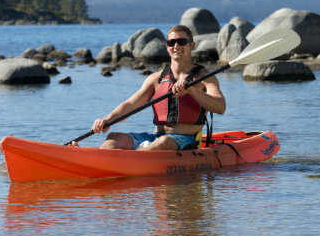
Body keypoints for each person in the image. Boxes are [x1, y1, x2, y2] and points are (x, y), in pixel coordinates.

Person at [69, 25, 226, 150]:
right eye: (172, 43)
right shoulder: (155, 79)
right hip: (156, 137)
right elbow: (130, 105)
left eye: (182, 42)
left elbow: (220, 106)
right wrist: (107, 120)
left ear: (192, 45)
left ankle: (123, 164)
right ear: (167, 47)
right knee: (114, 138)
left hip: (187, 140)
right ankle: (92, 158)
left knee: (163, 142)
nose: (176, 46)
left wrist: (192, 90)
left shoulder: (205, 78)